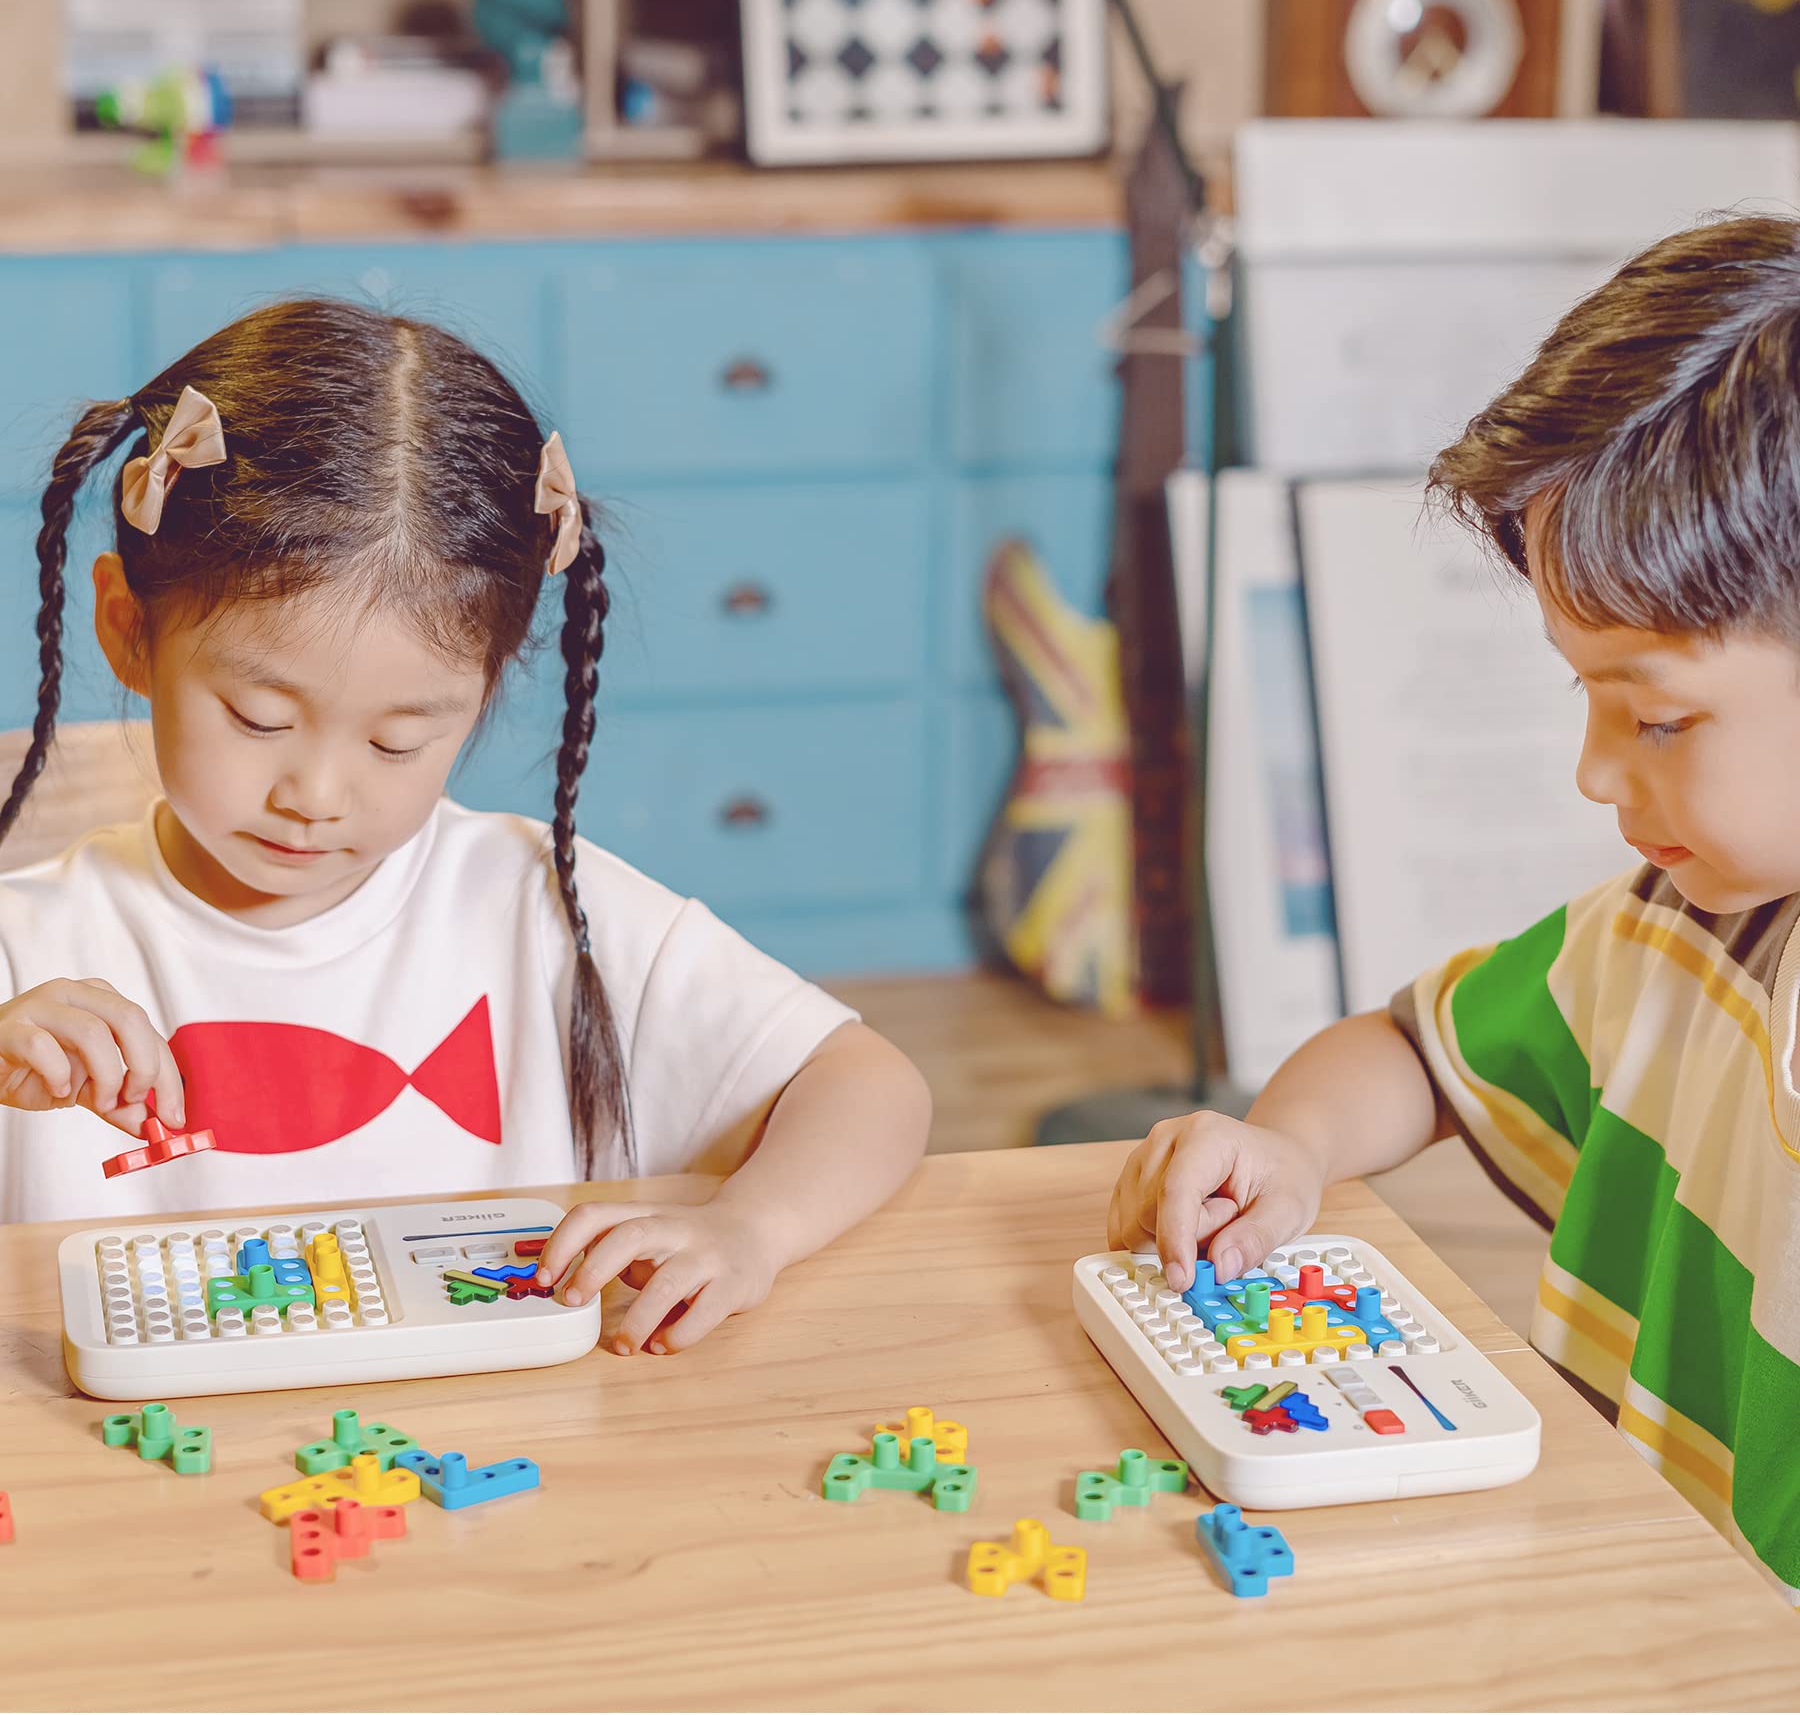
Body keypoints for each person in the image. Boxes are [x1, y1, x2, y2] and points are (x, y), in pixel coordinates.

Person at [0, 299, 930, 1356]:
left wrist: (750, 1229)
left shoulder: (534, 908)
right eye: (258, 719)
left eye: (399, 742)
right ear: (128, 628)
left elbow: (869, 1088)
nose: (317, 793)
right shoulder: (30, 957)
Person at [1109, 214, 1800, 1602]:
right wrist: (1287, 1147)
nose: (1598, 773)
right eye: (1587, 700)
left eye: (1658, 718)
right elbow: (1417, 1050)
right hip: (1634, 1612)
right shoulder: (1671, 933)